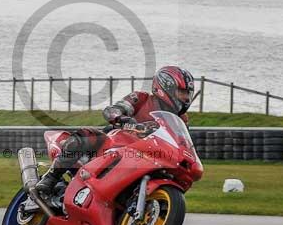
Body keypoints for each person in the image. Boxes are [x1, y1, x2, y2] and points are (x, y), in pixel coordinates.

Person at [35, 66, 195, 196]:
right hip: (117, 142)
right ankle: (50, 178)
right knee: (87, 136)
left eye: (188, 93)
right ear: (165, 87)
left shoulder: (182, 119)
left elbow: (181, 143)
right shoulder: (141, 98)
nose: (186, 98)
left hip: (148, 156)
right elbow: (112, 110)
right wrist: (122, 118)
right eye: (182, 92)